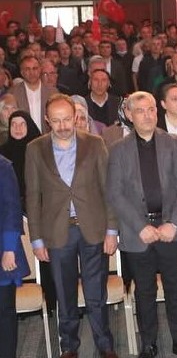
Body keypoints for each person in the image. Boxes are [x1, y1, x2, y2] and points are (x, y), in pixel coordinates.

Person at [24, 94, 118, 358]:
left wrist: (112, 230)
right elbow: (32, 196)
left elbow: (108, 189)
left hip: (93, 228)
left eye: (67, 119)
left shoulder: (95, 144)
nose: (63, 125)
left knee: (95, 292)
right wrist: (36, 239)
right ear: (47, 120)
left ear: (76, 117)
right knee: (64, 294)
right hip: (56, 232)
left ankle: (105, 344)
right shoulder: (35, 149)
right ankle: (69, 345)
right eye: (56, 121)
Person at [105, 92, 177, 358]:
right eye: (140, 111)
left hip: (171, 231)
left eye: (151, 110)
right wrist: (140, 226)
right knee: (144, 291)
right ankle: (148, 343)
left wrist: (173, 223)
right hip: (138, 234)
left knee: (175, 288)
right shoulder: (118, 149)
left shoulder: (173, 143)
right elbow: (115, 193)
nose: (147, 115)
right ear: (129, 115)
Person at [0, 150, 29, 358]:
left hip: (3, 251)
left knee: (4, 312)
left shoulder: (3, 166)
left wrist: (9, 249)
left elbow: (12, 209)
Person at [1, 110, 40, 207]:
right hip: (8, 205)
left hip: (37, 205)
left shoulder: (39, 150)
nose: (17, 128)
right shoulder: (2, 153)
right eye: (13, 124)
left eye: (22, 124)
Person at [12, 55, 56, 133]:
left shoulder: (53, 92)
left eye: (35, 68)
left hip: (47, 137)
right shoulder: (13, 93)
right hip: (23, 137)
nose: (32, 72)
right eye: (27, 69)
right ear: (22, 72)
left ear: (40, 70)